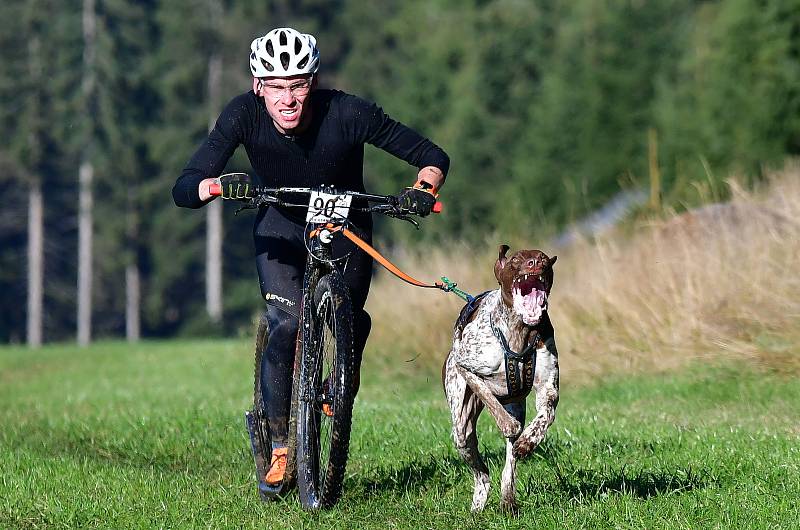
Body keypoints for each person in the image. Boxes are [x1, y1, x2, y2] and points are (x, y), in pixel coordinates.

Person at [172, 27, 449, 493]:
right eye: (276, 87)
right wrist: (217, 185)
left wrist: (424, 189)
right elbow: (186, 185)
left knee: (351, 318)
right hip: (279, 229)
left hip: (346, 225)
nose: (287, 99)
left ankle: (340, 382)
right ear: (258, 86)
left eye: (297, 85)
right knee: (287, 322)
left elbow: (431, 155)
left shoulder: (349, 112)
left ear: (313, 83)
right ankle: (281, 445)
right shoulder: (242, 114)